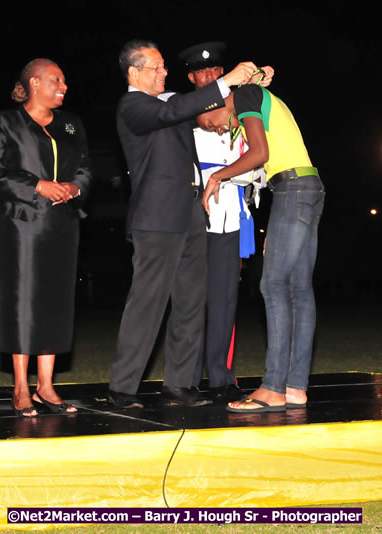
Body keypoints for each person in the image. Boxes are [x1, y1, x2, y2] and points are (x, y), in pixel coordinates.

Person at [108, 39, 271, 409]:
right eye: (156, 67)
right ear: (134, 73)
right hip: (156, 218)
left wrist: (252, 83)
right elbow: (182, 107)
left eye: (165, 66)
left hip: (192, 214)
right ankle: (122, 387)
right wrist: (228, 80)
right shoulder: (133, 105)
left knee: (190, 301)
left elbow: (207, 111)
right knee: (148, 301)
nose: (164, 72)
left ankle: (180, 385)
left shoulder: (169, 102)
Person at [198, 85, 325, 413]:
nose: (219, 128)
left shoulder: (246, 96)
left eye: (211, 122)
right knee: (299, 289)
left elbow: (259, 153)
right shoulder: (256, 98)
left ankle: (273, 388)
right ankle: (295, 387)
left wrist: (217, 177)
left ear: (216, 101)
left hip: (293, 189)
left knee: (272, 285)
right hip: (304, 186)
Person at [0, 59, 90, 417]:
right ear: (34, 83)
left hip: (63, 222)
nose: (64, 86)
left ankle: (46, 385)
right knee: (23, 300)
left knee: (57, 300)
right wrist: (38, 186)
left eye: (64, 80)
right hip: (21, 223)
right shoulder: (6, 121)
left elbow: (86, 169)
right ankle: (21, 387)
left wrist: (74, 188)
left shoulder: (72, 123)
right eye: (56, 80)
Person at [178, 41, 257, 404]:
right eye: (203, 72)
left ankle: (221, 378)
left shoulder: (241, 107)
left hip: (231, 216)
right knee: (190, 301)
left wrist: (238, 178)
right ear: (192, 77)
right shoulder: (177, 108)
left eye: (216, 71)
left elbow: (256, 167)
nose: (210, 76)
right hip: (193, 216)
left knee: (225, 300)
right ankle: (186, 378)